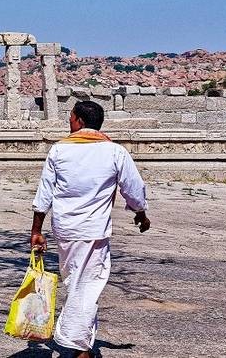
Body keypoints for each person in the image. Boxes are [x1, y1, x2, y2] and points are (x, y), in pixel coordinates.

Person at [30, 100, 150, 357]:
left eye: (71, 118)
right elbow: (134, 188)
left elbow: (44, 194)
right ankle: (77, 346)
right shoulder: (115, 152)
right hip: (94, 230)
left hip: (65, 229)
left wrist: (36, 230)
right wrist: (140, 213)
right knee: (86, 285)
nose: (69, 123)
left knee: (76, 281)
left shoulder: (59, 151)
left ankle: (77, 342)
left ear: (80, 122)